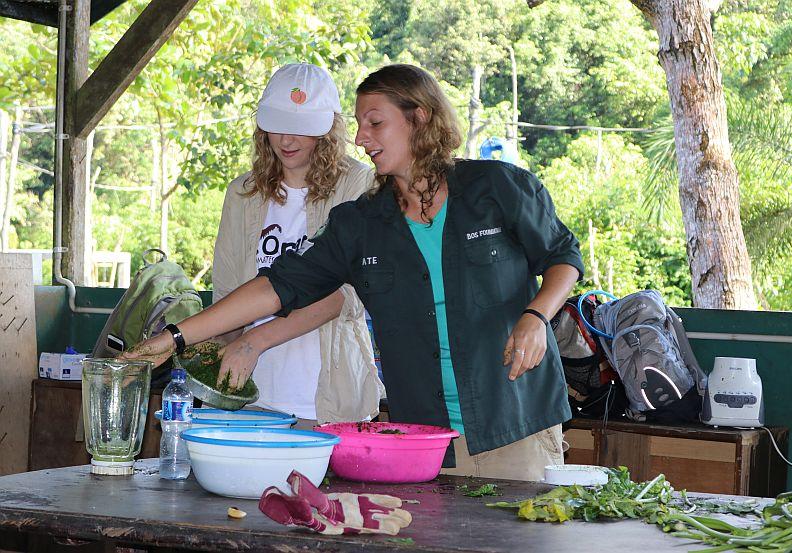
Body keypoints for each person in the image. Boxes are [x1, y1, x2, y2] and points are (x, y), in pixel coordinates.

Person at [127, 64, 584, 481]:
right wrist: (171, 340)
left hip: (515, 422)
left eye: (375, 123)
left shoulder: (498, 186)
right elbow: (276, 286)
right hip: (424, 440)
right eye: (361, 124)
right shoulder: (361, 222)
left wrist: (537, 316)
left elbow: (563, 256)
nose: (362, 138)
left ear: (420, 118)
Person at [208, 63, 383, 427]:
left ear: (328, 129)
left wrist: (254, 341)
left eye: (301, 129)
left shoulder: (360, 186)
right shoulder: (242, 194)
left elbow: (348, 296)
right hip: (250, 399)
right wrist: (197, 348)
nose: (287, 141)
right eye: (278, 126)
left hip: (327, 402)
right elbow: (226, 295)